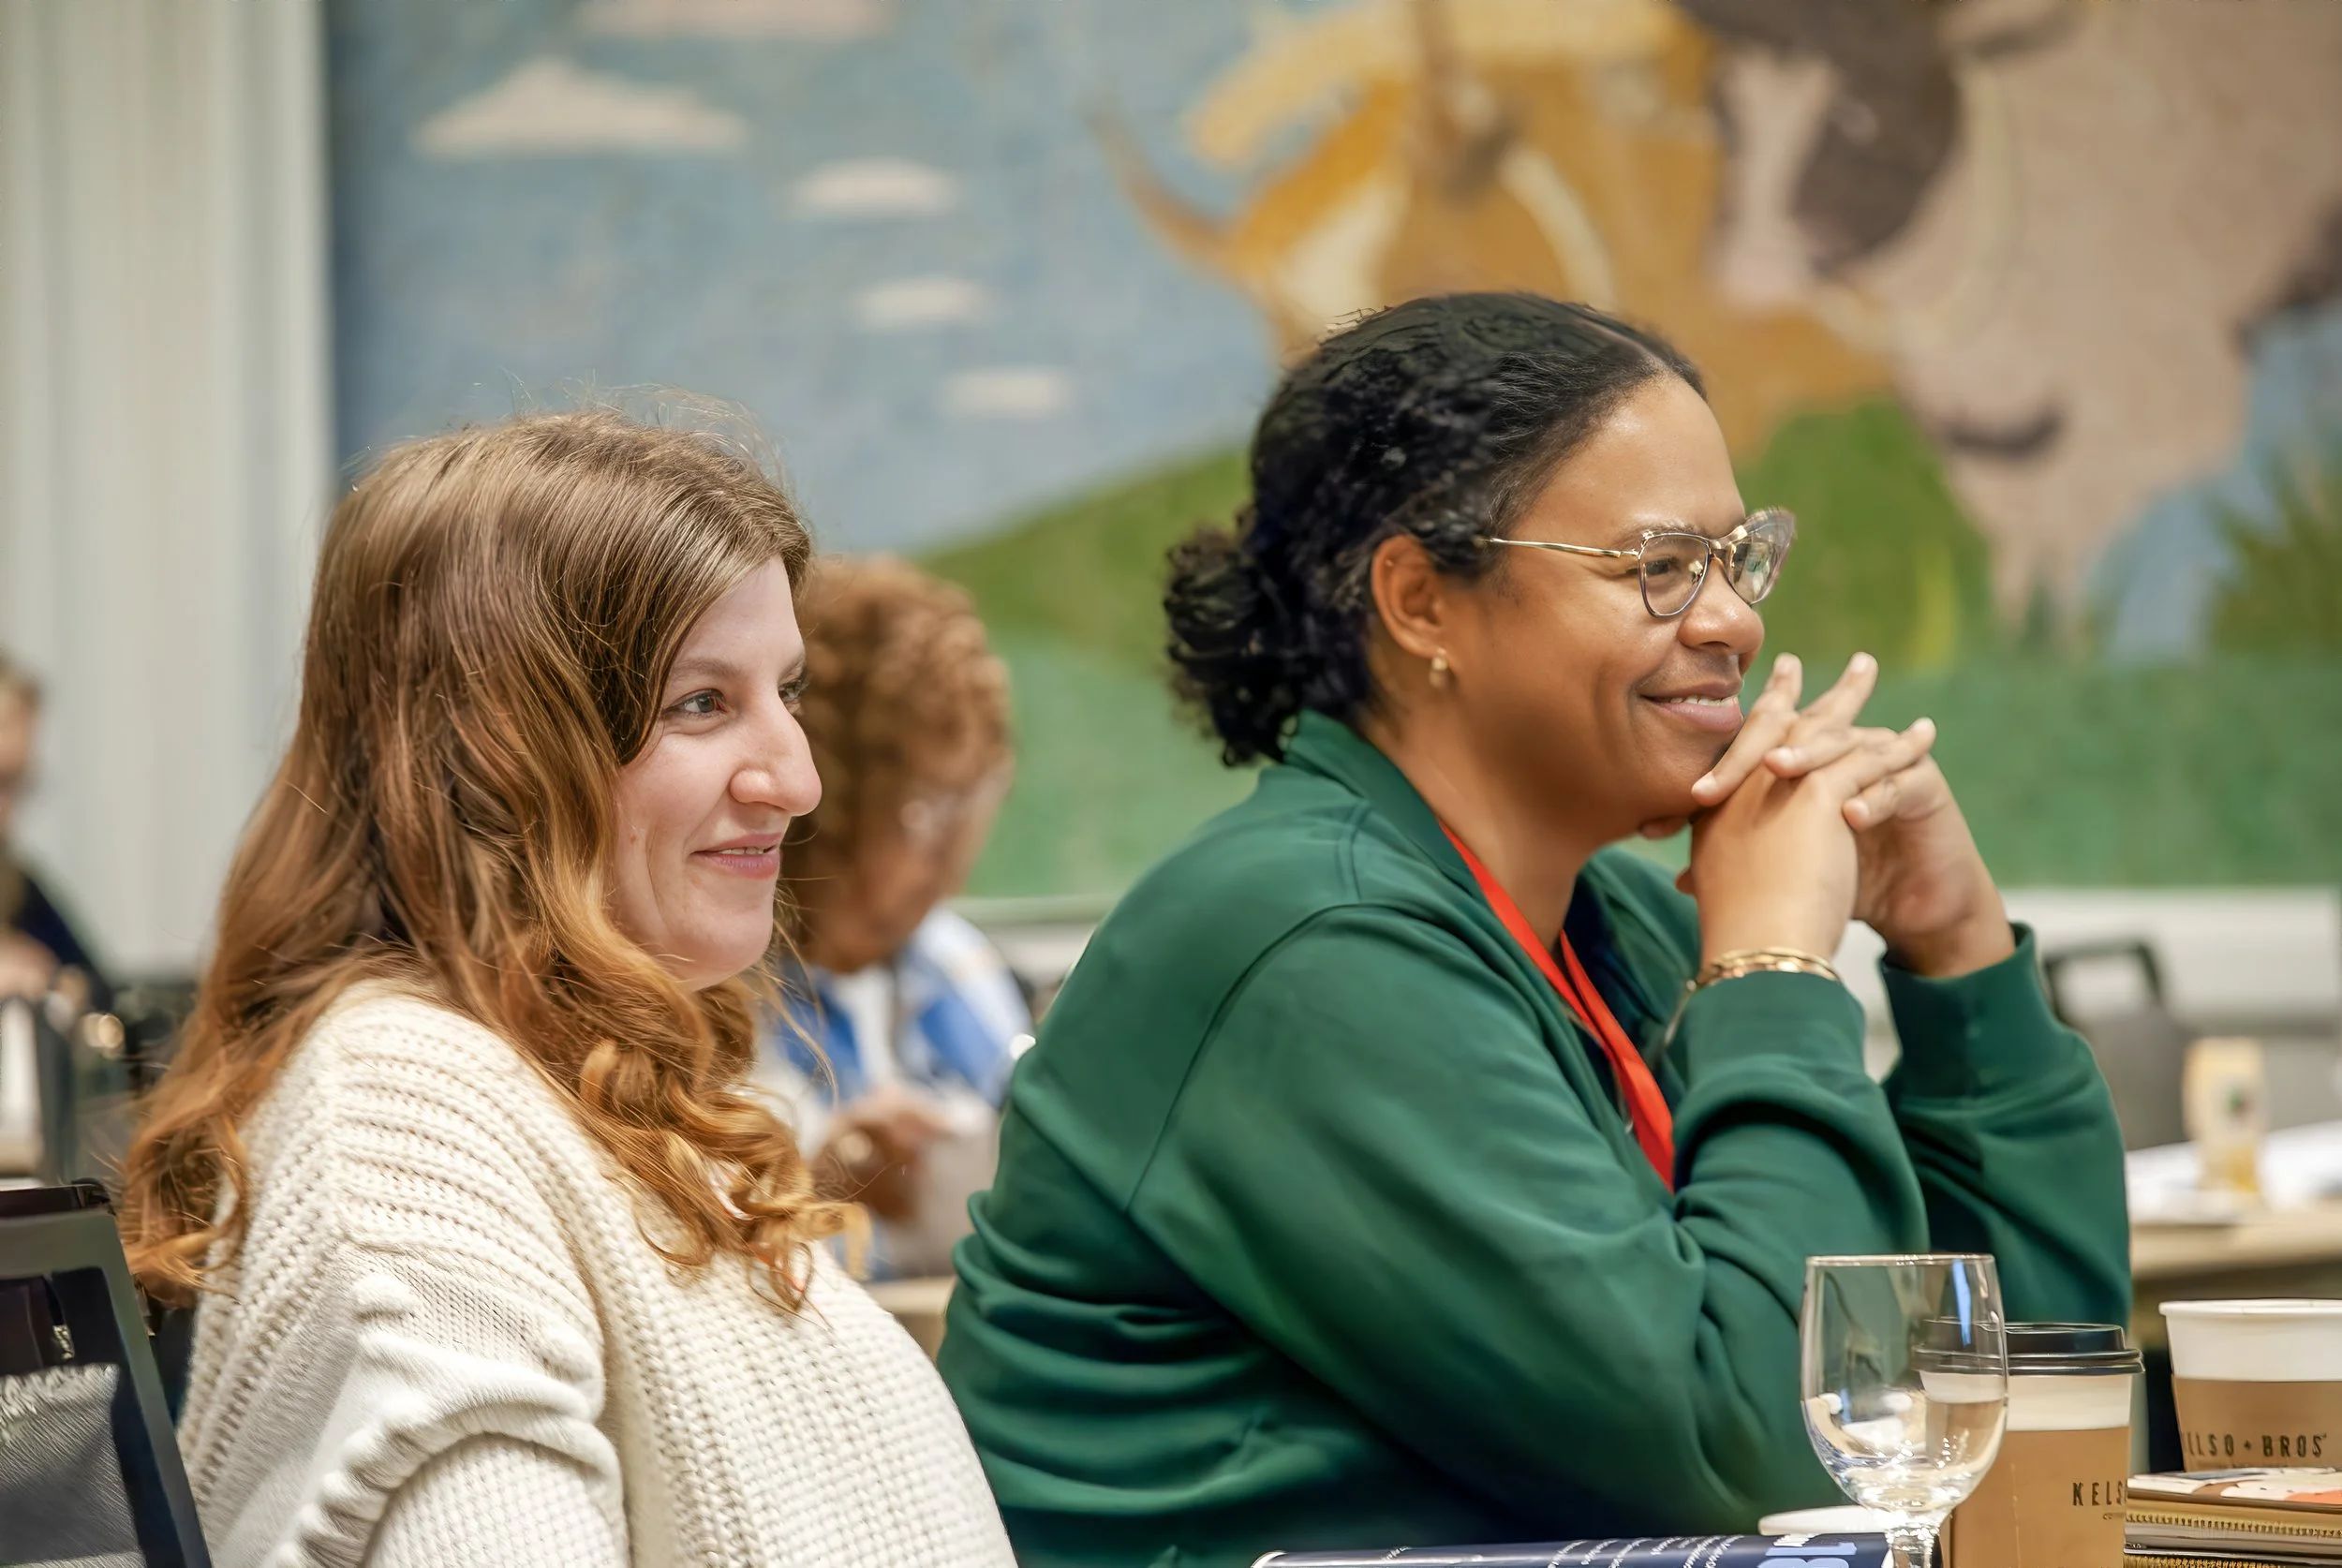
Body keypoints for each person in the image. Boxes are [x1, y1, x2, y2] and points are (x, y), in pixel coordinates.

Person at [938, 294, 2129, 1566]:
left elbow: (2019, 1404)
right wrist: (1773, 963)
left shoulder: (1603, 918)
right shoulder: (1309, 941)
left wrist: (1958, 955)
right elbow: (1765, 1463)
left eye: (1738, 558)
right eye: (1661, 566)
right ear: (1422, 602)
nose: (1732, 619)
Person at [117, 411, 1015, 1568]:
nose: (797, 778)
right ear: (498, 753)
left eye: (786, 692)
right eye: (703, 703)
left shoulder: (580, 1082)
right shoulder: (405, 1117)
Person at [762, 554, 1026, 1279]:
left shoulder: (953, 961)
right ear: (828, 804)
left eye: (972, 802)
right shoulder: (718, 995)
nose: (952, 857)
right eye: (925, 809)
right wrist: (822, 1183)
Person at [0, 652, 111, 1011]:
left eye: (19, 784)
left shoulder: (16, 883)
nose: (8, 808)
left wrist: (59, 985)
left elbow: (98, 991)